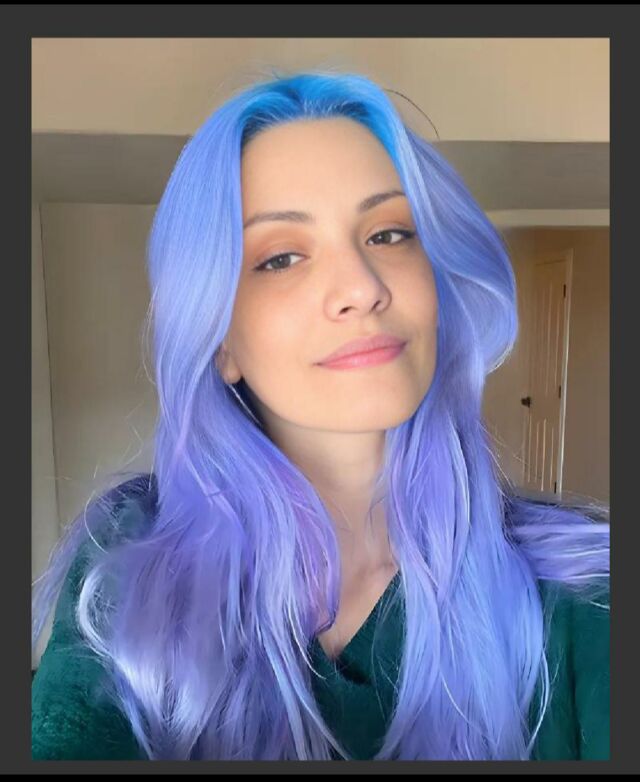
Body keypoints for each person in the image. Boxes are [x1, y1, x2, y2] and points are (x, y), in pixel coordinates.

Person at [31, 68, 610, 761]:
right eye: (280, 257)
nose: (362, 288)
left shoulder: (583, 592)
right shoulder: (130, 562)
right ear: (219, 341)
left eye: (390, 234)